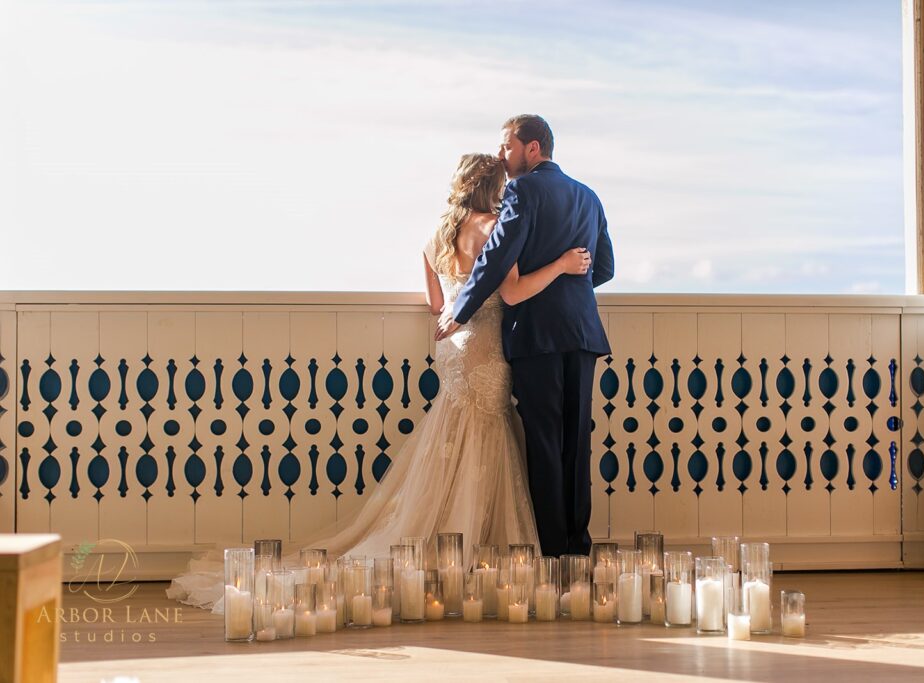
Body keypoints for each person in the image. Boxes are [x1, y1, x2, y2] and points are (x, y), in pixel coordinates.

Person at [167, 152, 591, 610]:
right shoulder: (493, 229)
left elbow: (435, 306)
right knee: (488, 438)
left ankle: (450, 541)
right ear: (494, 188)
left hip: (452, 349)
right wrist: (562, 266)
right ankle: (477, 549)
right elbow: (511, 292)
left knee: (453, 437)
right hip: (487, 348)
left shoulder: (436, 237)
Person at [436, 115, 614, 558]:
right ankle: (578, 550)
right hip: (583, 333)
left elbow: (496, 257)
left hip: (538, 335)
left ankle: (553, 556)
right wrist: (568, 282)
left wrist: (460, 310)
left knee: (545, 444)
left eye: (507, 146)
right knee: (576, 444)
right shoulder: (589, 197)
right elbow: (605, 267)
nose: (501, 155)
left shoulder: (522, 190)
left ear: (533, 148)